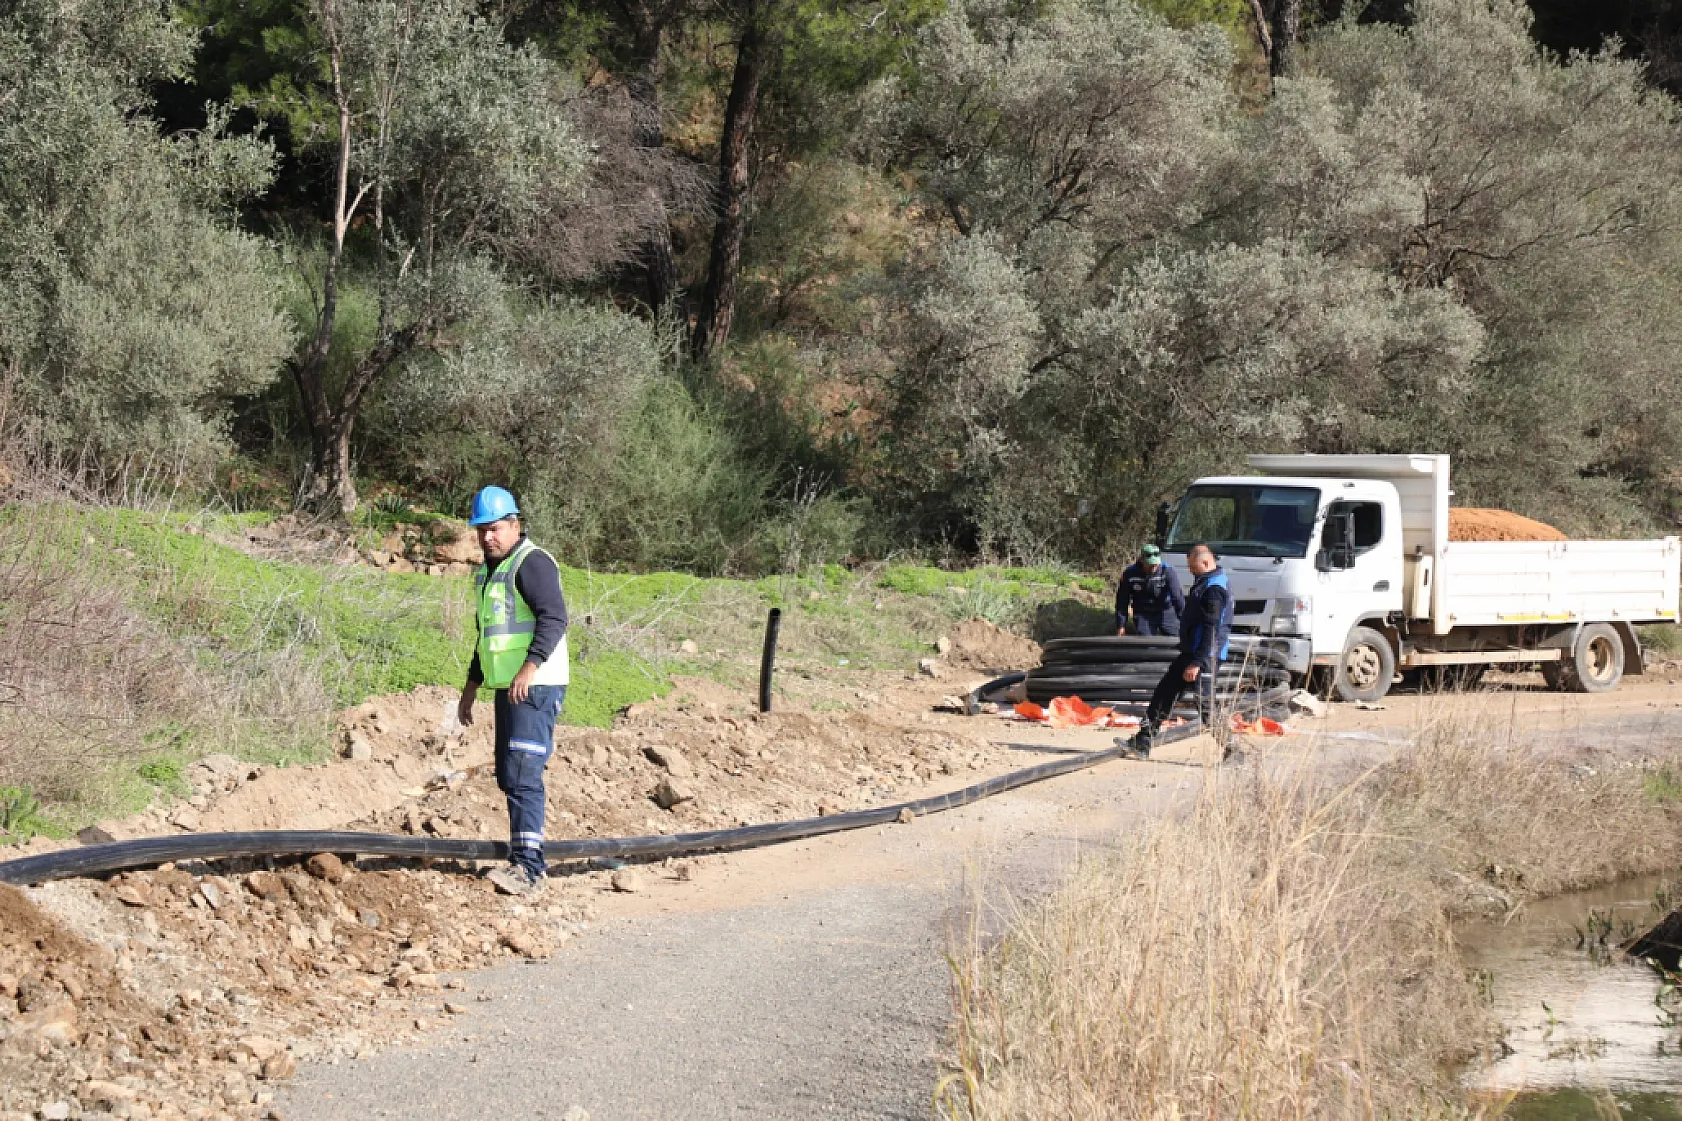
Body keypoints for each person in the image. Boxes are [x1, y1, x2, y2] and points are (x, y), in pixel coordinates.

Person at [455, 486, 570, 896]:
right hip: (509, 687)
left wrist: (529, 667)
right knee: (510, 775)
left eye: (496, 528)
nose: (488, 537)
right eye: (482, 530)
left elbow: (554, 618)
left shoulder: (531, 563)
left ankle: (529, 870)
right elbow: (488, 636)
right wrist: (471, 687)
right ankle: (523, 859)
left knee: (523, 775)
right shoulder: (490, 572)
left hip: (534, 686)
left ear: (515, 525)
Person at [1127, 544, 1233, 759]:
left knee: (1206, 706)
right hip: (1192, 653)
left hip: (1204, 656)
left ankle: (1233, 748)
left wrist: (1197, 662)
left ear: (1205, 563)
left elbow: (1211, 629)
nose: (1191, 571)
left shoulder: (1214, 589)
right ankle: (1143, 740)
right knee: (1165, 692)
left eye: (1193, 567)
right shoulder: (1206, 582)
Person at [1115, 543, 1185, 636]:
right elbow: (1122, 600)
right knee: (1146, 643)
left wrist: (1185, 620)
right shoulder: (1130, 573)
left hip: (1165, 610)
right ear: (1141, 560)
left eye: (1156, 565)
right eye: (1150, 564)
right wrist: (1121, 625)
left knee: (1176, 638)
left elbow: (1177, 597)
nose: (1153, 567)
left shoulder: (1167, 570)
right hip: (1143, 612)